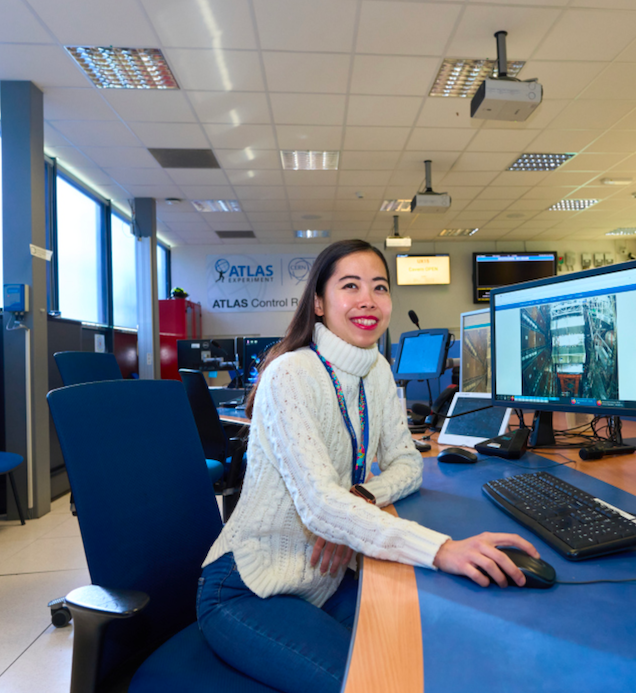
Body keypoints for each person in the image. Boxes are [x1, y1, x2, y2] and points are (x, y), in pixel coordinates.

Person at [197, 239, 539, 693]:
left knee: (437, 649)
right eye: (350, 285)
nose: (367, 300)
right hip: (250, 585)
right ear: (318, 302)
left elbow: (407, 465)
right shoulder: (289, 374)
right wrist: (441, 549)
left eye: (379, 287)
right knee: (379, 683)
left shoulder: (376, 371)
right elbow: (319, 505)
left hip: (323, 577)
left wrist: (358, 500)